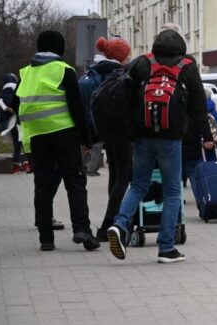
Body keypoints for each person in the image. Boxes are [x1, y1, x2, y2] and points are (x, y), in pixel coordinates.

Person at [107, 28, 212, 263]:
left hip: (142, 136)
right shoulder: (187, 67)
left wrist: (127, 130)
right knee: (172, 191)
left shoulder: (142, 64)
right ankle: (166, 247)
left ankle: (120, 224)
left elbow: (124, 98)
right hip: (171, 138)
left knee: (138, 186)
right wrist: (206, 136)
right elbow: (199, 106)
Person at [13, 30, 100, 251]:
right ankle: (82, 230)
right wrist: (86, 137)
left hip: (36, 137)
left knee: (42, 184)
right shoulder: (63, 70)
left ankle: (46, 239)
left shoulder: (25, 73)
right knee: (75, 181)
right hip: (64, 133)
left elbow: (15, 105)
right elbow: (77, 107)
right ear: (59, 48)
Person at [79, 36, 134, 241]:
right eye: (128, 54)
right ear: (122, 56)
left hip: (106, 132)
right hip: (122, 133)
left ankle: (112, 221)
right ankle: (109, 225)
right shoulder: (119, 74)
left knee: (116, 176)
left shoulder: (96, 72)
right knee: (125, 178)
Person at [0, 73, 29, 174]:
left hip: (12, 123)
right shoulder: (18, 92)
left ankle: (22, 165)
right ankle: (20, 165)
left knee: (19, 143)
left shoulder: (3, 96)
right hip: (18, 122)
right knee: (21, 143)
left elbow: (5, 108)